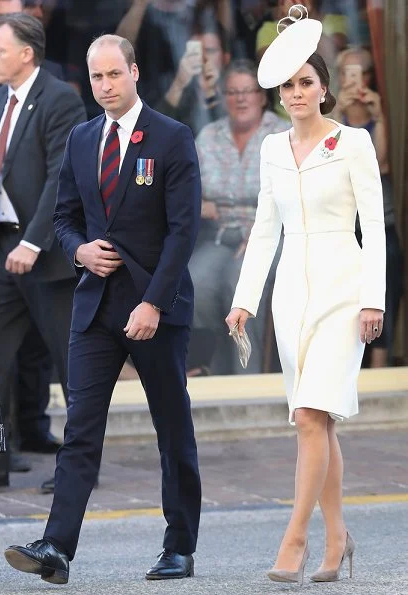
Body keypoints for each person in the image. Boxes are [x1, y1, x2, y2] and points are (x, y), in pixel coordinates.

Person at [4, 33, 202, 584]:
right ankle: (56, 547)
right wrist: (79, 249)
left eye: (115, 74)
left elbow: (183, 232)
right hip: (94, 308)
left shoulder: (172, 137)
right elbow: (65, 218)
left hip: (155, 308)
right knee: (80, 429)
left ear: (135, 72)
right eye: (96, 77)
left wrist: (153, 303)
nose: (105, 86)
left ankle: (180, 546)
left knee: (172, 429)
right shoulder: (82, 139)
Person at [226, 7, 385, 585]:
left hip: (346, 289)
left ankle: (293, 539)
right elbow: (265, 230)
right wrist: (244, 298)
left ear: (323, 89)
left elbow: (375, 223)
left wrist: (375, 300)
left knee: (312, 415)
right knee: (316, 423)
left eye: (306, 82)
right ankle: (338, 538)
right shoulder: (271, 149)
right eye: (288, 84)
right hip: (290, 294)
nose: (296, 93)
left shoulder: (355, 142)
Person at [0, 13, 86, 487]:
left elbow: (60, 177)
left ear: (26, 54)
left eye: (0, 50)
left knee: (74, 370)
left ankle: (79, 468)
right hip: (3, 251)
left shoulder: (60, 100)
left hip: (47, 257)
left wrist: (33, 241)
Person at [189, 58, 289, 375]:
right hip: (219, 235)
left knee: (240, 282)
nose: (241, 98)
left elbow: (294, 193)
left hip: (270, 235)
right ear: (224, 97)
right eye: (233, 92)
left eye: (248, 91)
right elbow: (184, 188)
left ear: (262, 97)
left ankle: (250, 377)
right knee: (196, 281)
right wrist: (200, 205)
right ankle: (216, 374)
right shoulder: (208, 135)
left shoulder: (282, 134)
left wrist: (261, 230)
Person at [334, 46, 403, 367]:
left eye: (358, 72)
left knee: (383, 296)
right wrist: (335, 115)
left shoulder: (381, 115)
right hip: (344, 226)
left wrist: (378, 118)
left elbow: (383, 165)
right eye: (347, 72)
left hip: (380, 221)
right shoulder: (332, 119)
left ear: (369, 77)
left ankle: (377, 372)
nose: (352, 80)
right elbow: (328, 161)